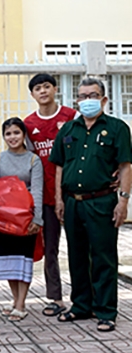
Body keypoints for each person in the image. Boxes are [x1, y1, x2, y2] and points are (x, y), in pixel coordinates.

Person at [50, 78, 131, 332]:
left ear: (104, 100)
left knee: (103, 257)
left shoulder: (117, 128)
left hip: (103, 200)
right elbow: (59, 167)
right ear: (77, 100)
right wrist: (58, 200)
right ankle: (81, 305)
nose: (87, 100)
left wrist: (123, 201)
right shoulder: (68, 130)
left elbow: (125, 166)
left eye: (92, 95)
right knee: (76, 255)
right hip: (73, 202)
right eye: (82, 96)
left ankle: (106, 311)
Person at [23, 73, 77, 317]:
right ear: (32, 94)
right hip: (45, 196)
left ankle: (84, 296)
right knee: (50, 249)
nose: (43, 91)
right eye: (37, 88)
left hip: (75, 193)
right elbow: (29, 160)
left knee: (80, 247)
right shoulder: (28, 124)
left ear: (55, 89)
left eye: (46, 86)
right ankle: (55, 297)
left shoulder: (71, 117)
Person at [0, 117, 43, 321]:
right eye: (8, 133)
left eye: (16, 133)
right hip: (3, 218)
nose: (13, 137)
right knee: (9, 260)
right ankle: (14, 300)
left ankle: (21, 303)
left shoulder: (33, 160)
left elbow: (37, 190)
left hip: (25, 217)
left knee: (23, 259)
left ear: (24, 135)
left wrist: (37, 218)